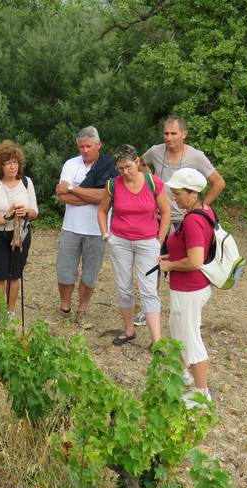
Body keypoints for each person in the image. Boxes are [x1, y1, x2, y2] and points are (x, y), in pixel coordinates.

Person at [138, 115, 226, 327]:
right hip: (159, 219)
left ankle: (191, 309)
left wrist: (202, 207)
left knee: (191, 263)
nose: (169, 138)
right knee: (154, 263)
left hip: (184, 221)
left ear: (184, 134)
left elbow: (218, 182)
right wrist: (152, 182)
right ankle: (150, 308)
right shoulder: (155, 151)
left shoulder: (196, 156)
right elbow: (140, 164)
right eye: (166, 133)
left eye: (174, 133)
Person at [96, 145, 170, 346]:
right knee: (124, 287)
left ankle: (157, 340)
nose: (125, 172)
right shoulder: (113, 185)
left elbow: (165, 212)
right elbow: (102, 210)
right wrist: (106, 235)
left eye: (128, 167)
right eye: (120, 168)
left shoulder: (152, 182)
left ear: (137, 161)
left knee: (148, 288)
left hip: (147, 241)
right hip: (120, 241)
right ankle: (129, 330)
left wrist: (159, 239)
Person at [157, 168, 215, 409]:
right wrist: (171, 256)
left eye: (178, 193)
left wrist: (169, 264)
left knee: (190, 338)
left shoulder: (192, 221)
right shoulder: (205, 212)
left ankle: (202, 394)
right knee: (178, 331)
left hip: (189, 288)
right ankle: (185, 376)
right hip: (192, 286)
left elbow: (195, 260)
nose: (173, 197)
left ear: (193, 193)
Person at [54, 126, 118, 328]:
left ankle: (82, 309)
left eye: (89, 146)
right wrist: (94, 195)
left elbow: (105, 196)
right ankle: (65, 306)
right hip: (71, 228)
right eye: (81, 146)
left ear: (99, 145)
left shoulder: (110, 165)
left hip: (97, 229)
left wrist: (73, 189)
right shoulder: (70, 164)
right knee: (65, 270)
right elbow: (63, 197)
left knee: (90, 273)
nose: (85, 150)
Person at [0, 140, 38, 318]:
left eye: (15, 162)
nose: (12, 166)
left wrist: (24, 212)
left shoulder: (27, 183)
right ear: (0, 166)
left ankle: (11, 311)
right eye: (7, 163)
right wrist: (6, 217)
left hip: (20, 234)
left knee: (14, 275)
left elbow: (35, 211)